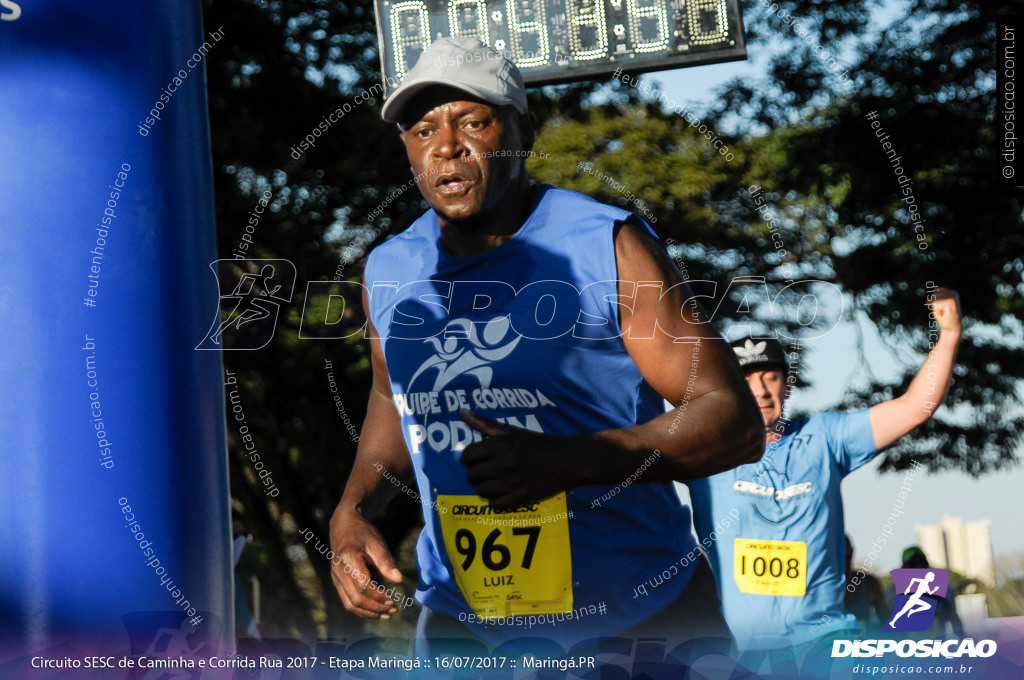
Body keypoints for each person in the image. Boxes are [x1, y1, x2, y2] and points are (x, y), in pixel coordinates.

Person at [327, 36, 763, 658]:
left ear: (523, 132)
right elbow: (389, 396)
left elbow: (732, 418)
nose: (445, 146)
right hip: (467, 627)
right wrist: (354, 507)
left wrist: (574, 460)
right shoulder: (390, 269)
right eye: (422, 131)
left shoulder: (605, 245)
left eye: (472, 121)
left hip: (640, 617)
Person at [687, 288, 962, 673]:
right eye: (749, 379)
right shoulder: (706, 451)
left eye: (771, 377)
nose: (762, 390)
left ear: (786, 384)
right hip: (745, 655)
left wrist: (948, 336)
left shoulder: (826, 437)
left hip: (828, 642)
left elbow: (914, 408)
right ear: (732, 388)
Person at [844, 535, 887, 634]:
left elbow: (885, 618)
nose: (845, 561)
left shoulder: (869, 582)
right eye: (841, 556)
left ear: (852, 551)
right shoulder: (821, 585)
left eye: (847, 556)